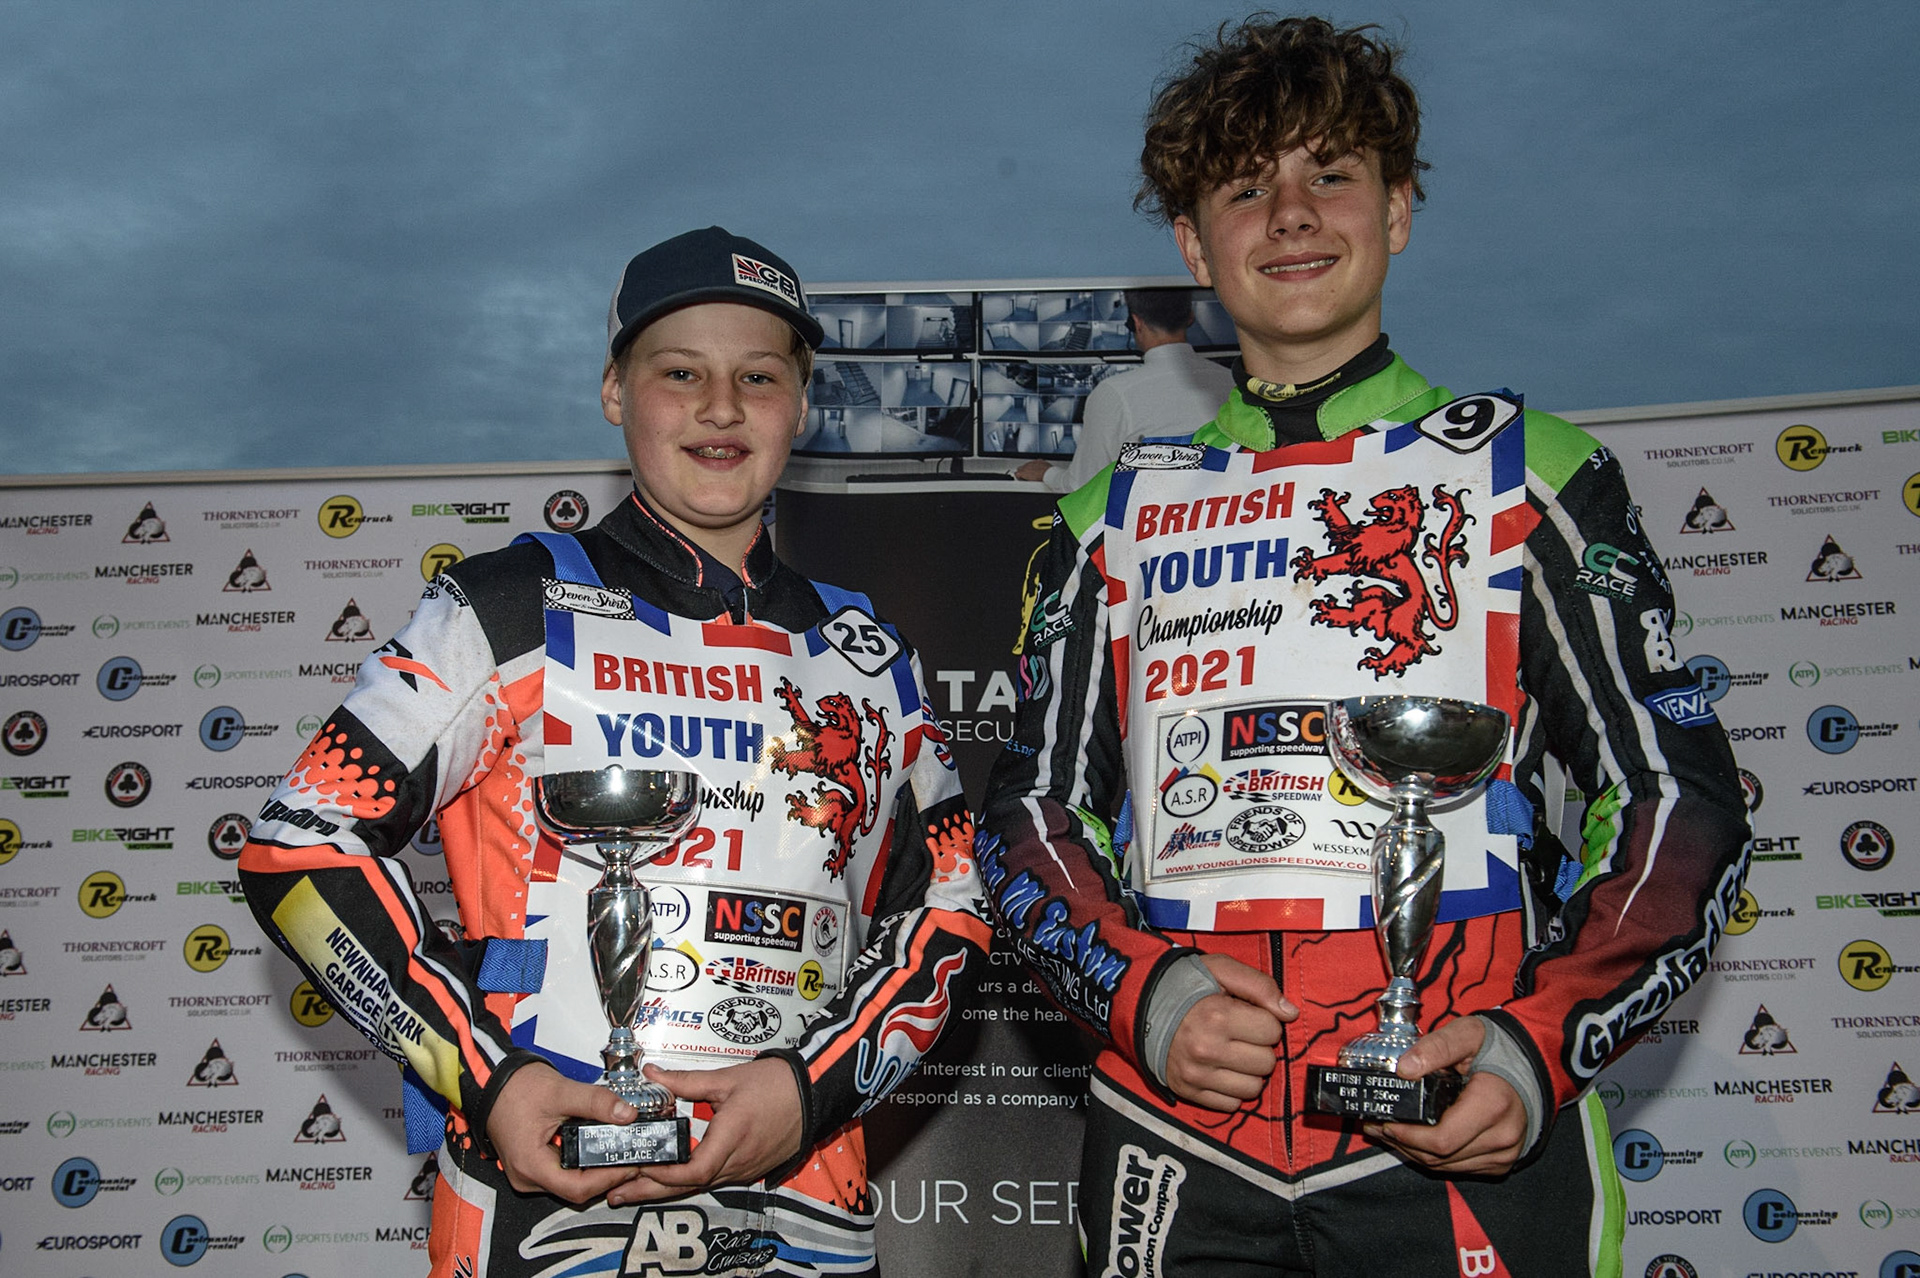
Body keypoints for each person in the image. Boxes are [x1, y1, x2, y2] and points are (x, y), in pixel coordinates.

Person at [978, 17, 1748, 1275]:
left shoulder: (1528, 476)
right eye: (1245, 186)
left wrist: (1533, 1043)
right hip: (1183, 1142)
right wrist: (1143, 994)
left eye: (1329, 173)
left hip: (1457, 1127)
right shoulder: (1102, 520)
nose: (1289, 213)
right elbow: (1029, 828)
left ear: (1399, 211)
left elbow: (1680, 806)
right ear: (1193, 243)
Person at [241, 226, 990, 1278]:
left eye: (758, 376)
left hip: (803, 1205)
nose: (721, 406)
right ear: (613, 392)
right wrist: (486, 1078)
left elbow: (951, 911)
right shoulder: (504, 608)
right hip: (543, 1199)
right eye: (679, 372)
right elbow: (298, 847)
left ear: (803, 404)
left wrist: (809, 1089)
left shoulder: (870, 656)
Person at [1013, 288, 1233, 494]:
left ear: (1136, 323)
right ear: (1191, 317)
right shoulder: (1232, 383)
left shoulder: (1114, 393)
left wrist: (1046, 472)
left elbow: (1083, 487)